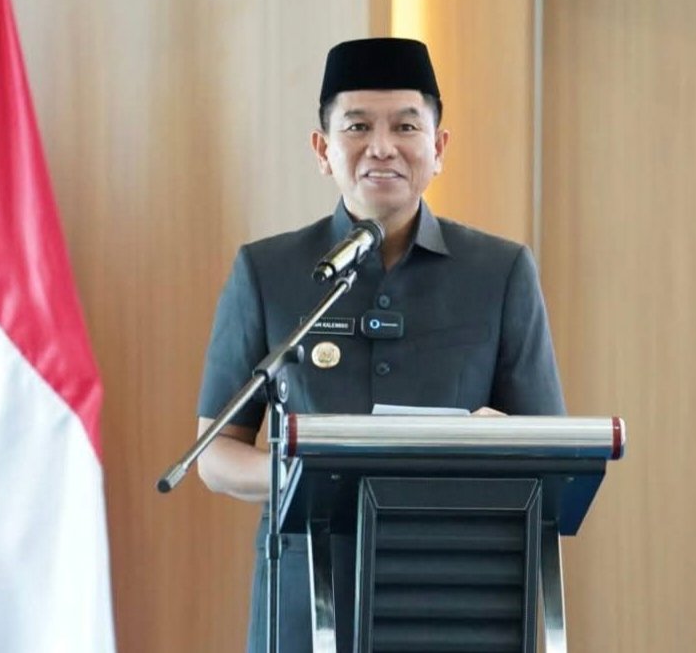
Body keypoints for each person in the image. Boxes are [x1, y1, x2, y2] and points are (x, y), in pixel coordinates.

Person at [195, 37, 565, 653]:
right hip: (307, 589)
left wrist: (496, 443)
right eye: (358, 126)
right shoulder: (267, 271)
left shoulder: (500, 271)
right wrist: (302, 476)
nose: (382, 146)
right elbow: (215, 453)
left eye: (406, 126)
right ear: (323, 149)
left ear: (439, 147)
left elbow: (549, 450)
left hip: (459, 587)